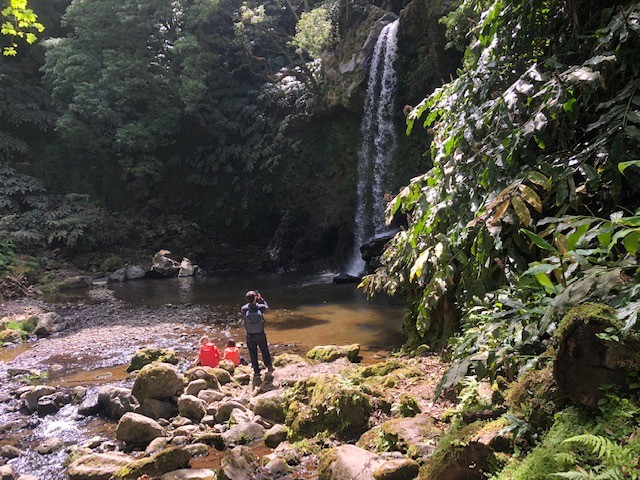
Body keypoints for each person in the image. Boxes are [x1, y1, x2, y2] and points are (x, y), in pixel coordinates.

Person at [241, 290, 274, 379]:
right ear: (255, 298)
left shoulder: (244, 309)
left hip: (250, 335)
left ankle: (256, 372)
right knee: (264, 350)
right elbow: (267, 307)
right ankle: (269, 366)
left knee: (252, 353)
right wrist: (261, 299)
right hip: (260, 333)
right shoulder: (261, 307)